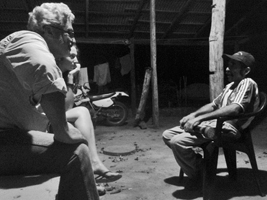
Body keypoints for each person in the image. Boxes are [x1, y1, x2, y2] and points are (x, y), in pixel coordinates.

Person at [0, 3, 99, 200]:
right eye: (69, 32)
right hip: (5, 139)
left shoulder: (30, 57)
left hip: (13, 137)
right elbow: (44, 67)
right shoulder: (27, 39)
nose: (72, 40)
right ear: (49, 31)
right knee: (77, 153)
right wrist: (63, 130)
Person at [162, 51, 259, 190]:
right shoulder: (230, 86)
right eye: (228, 64)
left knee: (178, 142)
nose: (227, 68)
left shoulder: (247, 82)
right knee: (167, 135)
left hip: (229, 128)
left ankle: (197, 176)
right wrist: (193, 115)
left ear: (246, 70)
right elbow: (213, 104)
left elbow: (234, 109)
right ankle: (201, 168)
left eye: (233, 65)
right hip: (215, 125)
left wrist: (200, 119)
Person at [57, 46, 122, 183]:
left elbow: (66, 107)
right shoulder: (52, 73)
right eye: (72, 56)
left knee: (84, 111)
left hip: (55, 113)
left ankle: (93, 162)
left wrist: (70, 77)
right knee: (82, 112)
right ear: (60, 57)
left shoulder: (61, 74)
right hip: (42, 115)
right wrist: (70, 78)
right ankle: (93, 163)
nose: (76, 60)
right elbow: (65, 108)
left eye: (76, 56)